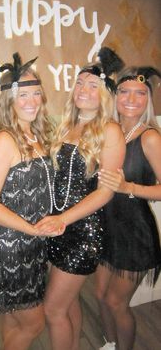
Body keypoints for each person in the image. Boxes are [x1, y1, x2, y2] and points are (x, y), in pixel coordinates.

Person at [35, 47, 126, 350]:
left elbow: (104, 192)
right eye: (80, 83)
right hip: (57, 225)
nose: (84, 90)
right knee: (69, 303)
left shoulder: (109, 130)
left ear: (104, 94)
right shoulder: (66, 124)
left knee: (53, 309)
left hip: (82, 231)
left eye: (93, 85)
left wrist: (62, 219)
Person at [0, 52, 62, 350]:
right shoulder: (6, 140)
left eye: (36, 94)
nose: (31, 101)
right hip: (10, 247)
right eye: (22, 95)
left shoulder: (37, 135)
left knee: (15, 320)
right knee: (34, 322)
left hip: (32, 244)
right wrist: (33, 229)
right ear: (8, 100)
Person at [95, 66, 161, 350]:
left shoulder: (149, 137)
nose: (132, 99)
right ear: (115, 95)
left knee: (115, 301)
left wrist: (129, 188)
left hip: (135, 233)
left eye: (140, 93)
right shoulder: (108, 130)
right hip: (107, 227)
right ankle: (109, 344)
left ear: (148, 99)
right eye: (124, 91)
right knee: (99, 294)